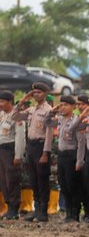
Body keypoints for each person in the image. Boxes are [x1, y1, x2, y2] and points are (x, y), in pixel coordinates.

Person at [12, 83, 53, 222]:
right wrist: (23, 100)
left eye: (39, 92)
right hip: (31, 146)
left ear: (45, 94)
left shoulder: (49, 111)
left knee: (42, 179)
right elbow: (14, 116)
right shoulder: (31, 109)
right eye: (34, 92)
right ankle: (36, 209)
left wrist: (45, 153)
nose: (36, 95)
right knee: (33, 179)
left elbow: (49, 134)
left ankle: (43, 211)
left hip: (41, 147)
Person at [45, 96, 83, 222]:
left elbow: (81, 143)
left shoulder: (77, 121)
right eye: (61, 105)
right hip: (61, 156)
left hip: (72, 155)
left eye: (66, 105)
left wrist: (79, 161)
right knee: (64, 185)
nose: (63, 107)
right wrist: (52, 111)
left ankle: (75, 214)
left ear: (73, 107)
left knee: (73, 185)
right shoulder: (60, 119)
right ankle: (68, 213)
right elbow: (47, 122)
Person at [0, 91, 25, 220]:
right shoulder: (2, 115)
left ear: (10, 102)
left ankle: (14, 209)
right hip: (1, 151)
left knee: (12, 180)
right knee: (3, 181)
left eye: (2, 101)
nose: (0, 104)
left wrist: (18, 155)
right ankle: (8, 206)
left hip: (11, 151)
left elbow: (20, 137)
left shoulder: (17, 116)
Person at [75, 95, 89, 222]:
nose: (80, 107)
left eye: (83, 104)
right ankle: (85, 211)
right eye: (78, 104)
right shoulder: (77, 120)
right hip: (77, 154)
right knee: (79, 185)